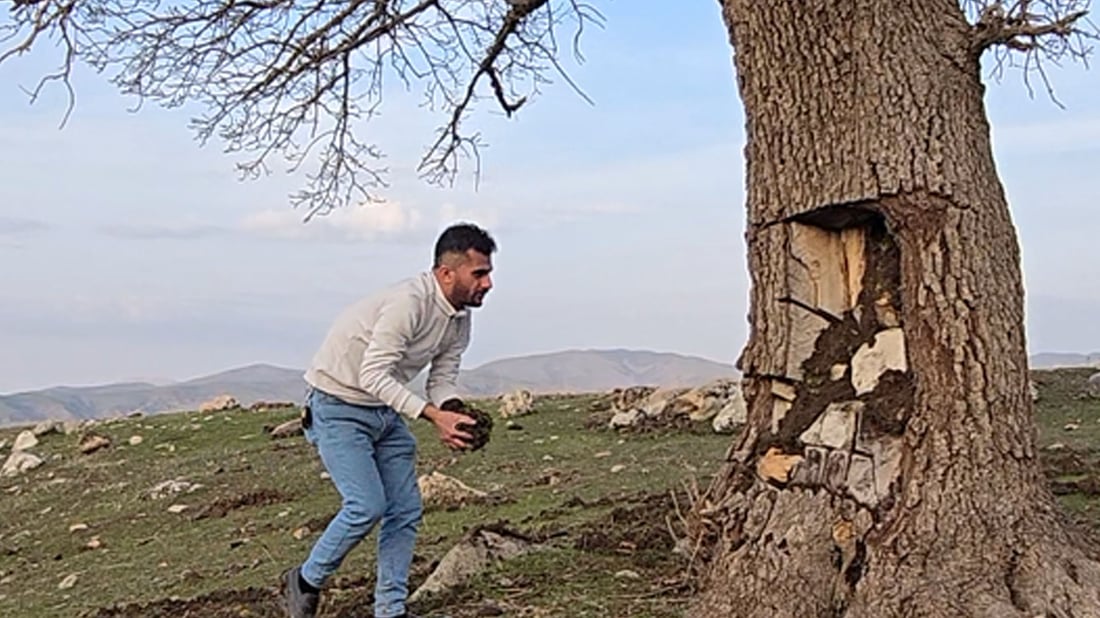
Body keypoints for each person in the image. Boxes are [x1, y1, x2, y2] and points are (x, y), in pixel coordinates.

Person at [281, 222, 497, 618]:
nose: (488, 283)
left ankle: (390, 611)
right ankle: (305, 580)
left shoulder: (459, 318)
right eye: (479, 273)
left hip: (383, 410)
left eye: (488, 273)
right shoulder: (408, 303)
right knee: (366, 504)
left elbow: (443, 376)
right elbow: (372, 374)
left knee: (405, 509)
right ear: (447, 273)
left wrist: (453, 412)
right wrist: (432, 416)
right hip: (338, 405)